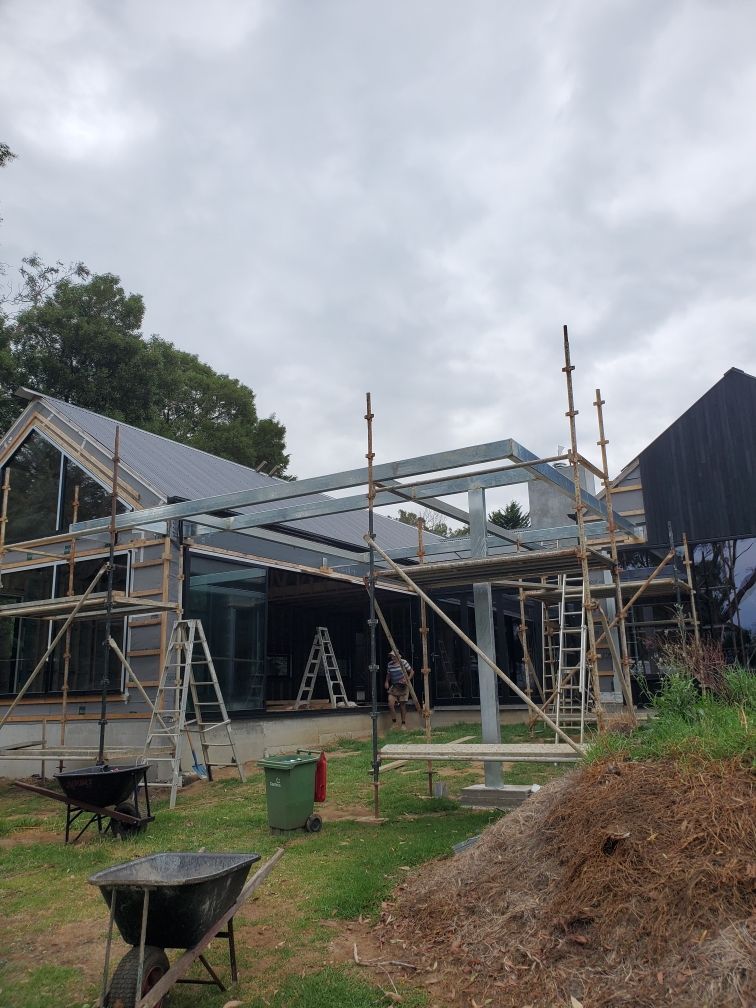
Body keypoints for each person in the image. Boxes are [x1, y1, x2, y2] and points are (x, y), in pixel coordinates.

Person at [385, 650, 413, 729]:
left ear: (398, 656)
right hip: (394, 686)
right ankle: (394, 723)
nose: (392, 658)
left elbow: (411, 672)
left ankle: (403, 724)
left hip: (403, 686)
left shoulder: (403, 662)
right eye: (391, 656)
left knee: (402, 705)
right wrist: (386, 682)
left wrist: (407, 679)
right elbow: (388, 674)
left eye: (394, 656)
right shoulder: (389, 664)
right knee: (390, 703)